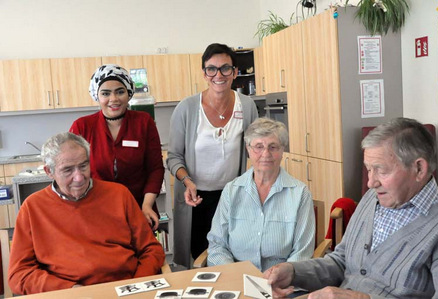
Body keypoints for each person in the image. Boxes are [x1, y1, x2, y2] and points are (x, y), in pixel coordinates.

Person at [263, 117, 438, 299]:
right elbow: (341, 261)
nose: (370, 183)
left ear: (419, 169)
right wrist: (294, 272)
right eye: (369, 169)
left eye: (381, 170)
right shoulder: (372, 198)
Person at [8, 132, 165, 295]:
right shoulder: (32, 207)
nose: (79, 177)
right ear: (49, 171)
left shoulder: (119, 194)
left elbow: (151, 250)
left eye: (83, 166)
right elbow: (19, 274)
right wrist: (70, 290)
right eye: (68, 170)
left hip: (124, 289)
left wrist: (135, 286)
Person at [167, 43, 258, 268]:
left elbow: (256, 149)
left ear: (235, 72)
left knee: (232, 254)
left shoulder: (247, 106)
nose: (219, 75)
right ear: (204, 74)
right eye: (211, 69)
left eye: (225, 68)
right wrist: (187, 181)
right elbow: (173, 157)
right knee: (199, 256)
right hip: (195, 198)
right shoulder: (186, 108)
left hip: (232, 197)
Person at [207, 118, 315, 271]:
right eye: (259, 146)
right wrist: (236, 275)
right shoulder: (231, 190)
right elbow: (217, 245)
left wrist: (279, 278)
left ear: (282, 150)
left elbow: (302, 252)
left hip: (282, 283)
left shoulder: (300, 194)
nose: (266, 153)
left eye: (273, 147)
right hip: (238, 279)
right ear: (248, 149)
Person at [70, 64, 164, 229]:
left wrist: (147, 205)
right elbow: (73, 172)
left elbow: (155, 169)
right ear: (97, 96)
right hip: (95, 211)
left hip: (139, 208)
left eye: (120, 91)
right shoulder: (82, 127)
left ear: (128, 94)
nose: (113, 99)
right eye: (106, 93)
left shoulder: (143, 122)